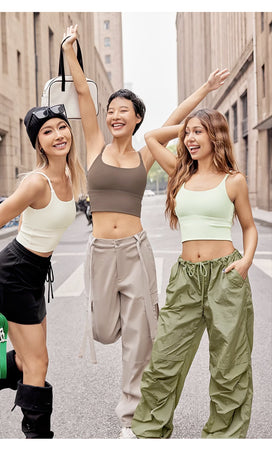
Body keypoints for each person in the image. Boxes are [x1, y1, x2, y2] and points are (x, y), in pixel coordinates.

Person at [62, 24, 230, 438]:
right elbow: (83, 94)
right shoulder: (95, 144)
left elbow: (180, 118)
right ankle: (130, 327)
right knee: (103, 329)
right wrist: (70, 50)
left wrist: (205, 89)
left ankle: (131, 419)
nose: (114, 115)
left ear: (137, 119)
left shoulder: (145, 155)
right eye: (111, 110)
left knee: (139, 340)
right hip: (101, 250)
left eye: (124, 110)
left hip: (136, 250)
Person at [0, 104, 85, 438]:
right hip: (15, 273)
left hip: (34, 272)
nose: (58, 135)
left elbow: (32, 220)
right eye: (48, 131)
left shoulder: (69, 176)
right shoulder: (36, 182)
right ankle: (37, 438)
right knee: (38, 363)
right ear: (38, 143)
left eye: (62, 127)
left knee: (29, 361)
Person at [131, 108, 258, 438]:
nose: (189, 139)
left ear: (215, 136)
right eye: (188, 134)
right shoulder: (179, 173)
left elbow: (248, 227)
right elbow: (151, 137)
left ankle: (223, 437)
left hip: (225, 276)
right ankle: (149, 431)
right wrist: (184, 126)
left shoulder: (234, 181)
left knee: (229, 363)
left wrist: (245, 262)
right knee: (164, 359)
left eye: (198, 132)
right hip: (186, 277)